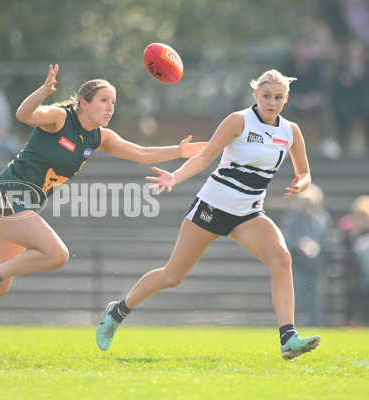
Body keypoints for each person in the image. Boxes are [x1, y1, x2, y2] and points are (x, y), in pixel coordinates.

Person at [0, 64, 206, 356]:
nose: (110, 107)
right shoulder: (59, 117)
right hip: (5, 195)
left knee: (0, 287)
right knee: (56, 255)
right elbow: (23, 115)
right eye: (104, 100)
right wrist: (42, 92)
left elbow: (141, 153)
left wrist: (178, 152)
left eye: (113, 102)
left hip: (20, 203)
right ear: (84, 103)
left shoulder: (99, 137)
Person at [96, 69, 321, 361]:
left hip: (249, 214)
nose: (271, 102)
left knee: (282, 259)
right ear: (256, 94)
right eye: (266, 96)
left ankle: (288, 338)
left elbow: (304, 172)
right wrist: (174, 178)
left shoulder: (290, 131)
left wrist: (300, 184)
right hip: (212, 207)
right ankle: (118, 310)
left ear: (286, 99)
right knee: (172, 277)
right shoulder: (238, 121)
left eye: (278, 97)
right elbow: (204, 157)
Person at [281, 184, 332, 326]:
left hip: (316, 265)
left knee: (316, 299)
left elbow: (325, 238)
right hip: (298, 263)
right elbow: (287, 237)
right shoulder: (292, 218)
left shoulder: (322, 218)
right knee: (295, 297)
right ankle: (292, 327)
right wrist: (299, 244)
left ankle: (314, 326)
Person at [336, 195, 369, 326]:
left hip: (365, 268)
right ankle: (349, 322)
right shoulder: (347, 225)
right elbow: (346, 242)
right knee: (350, 296)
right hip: (351, 268)